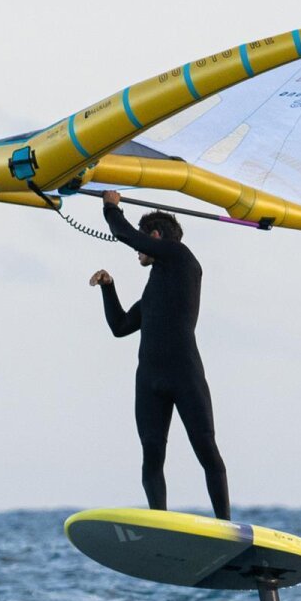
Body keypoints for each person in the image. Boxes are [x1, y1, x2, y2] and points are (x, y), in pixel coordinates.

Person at [89, 189, 230, 521]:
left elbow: (125, 234)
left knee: (206, 450)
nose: (137, 250)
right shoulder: (154, 289)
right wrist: (108, 287)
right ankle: (161, 524)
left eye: (144, 241)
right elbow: (121, 326)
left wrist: (111, 208)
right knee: (152, 456)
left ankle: (226, 526)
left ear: (154, 237)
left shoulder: (182, 259)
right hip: (150, 381)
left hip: (185, 375)